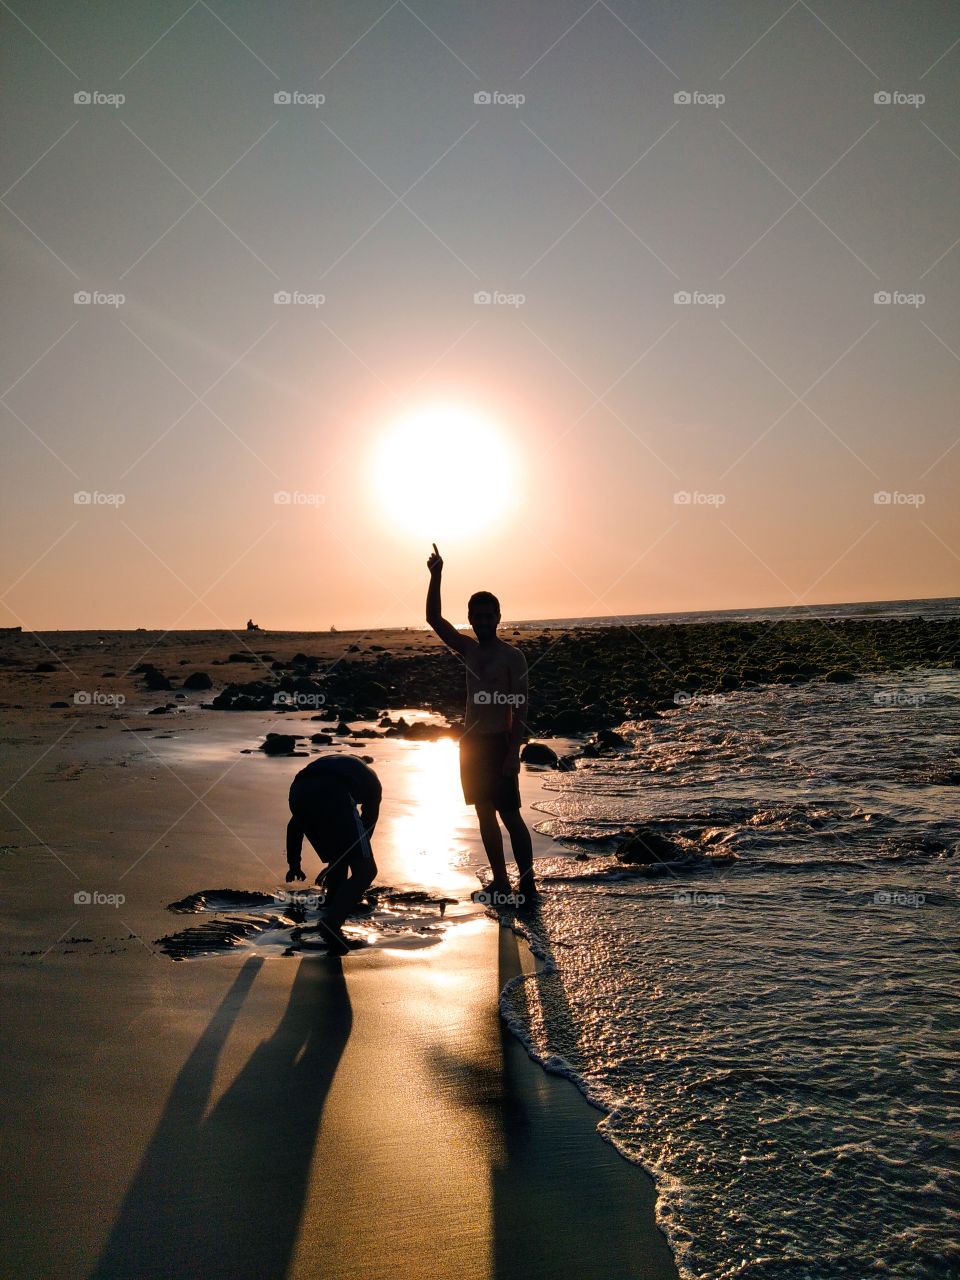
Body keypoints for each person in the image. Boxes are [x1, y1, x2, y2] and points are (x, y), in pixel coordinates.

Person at [425, 543, 538, 907]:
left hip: (499, 743)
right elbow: (433, 619)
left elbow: (520, 705)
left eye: (490, 616)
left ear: (498, 617)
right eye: (478, 616)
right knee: (484, 816)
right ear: (471, 618)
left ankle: (529, 884)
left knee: (510, 816)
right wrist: (436, 575)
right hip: (470, 746)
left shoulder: (512, 657)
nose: (484, 621)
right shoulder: (469, 649)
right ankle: (501, 884)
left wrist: (513, 752)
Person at [285, 754, 381, 953]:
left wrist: (294, 863)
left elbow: (295, 825)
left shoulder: (336, 764)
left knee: (338, 858)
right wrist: (355, 857)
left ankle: (330, 905)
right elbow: (367, 826)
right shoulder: (372, 783)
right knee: (366, 871)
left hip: (298, 790)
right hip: (333, 791)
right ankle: (331, 925)